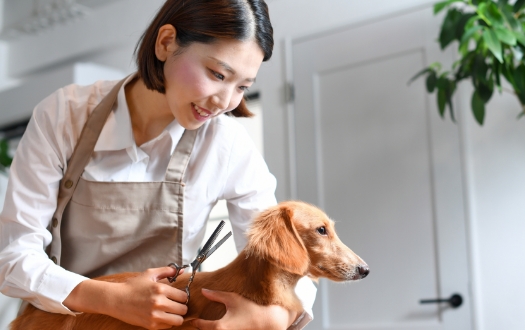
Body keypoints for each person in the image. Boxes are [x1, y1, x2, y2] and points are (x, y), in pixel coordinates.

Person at [0, 0, 316, 329]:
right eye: (217, 74)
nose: (224, 102)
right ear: (166, 43)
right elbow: (14, 258)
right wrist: (112, 299)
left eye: (242, 87)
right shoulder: (64, 115)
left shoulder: (227, 144)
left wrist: (271, 317)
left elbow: (281, 261)